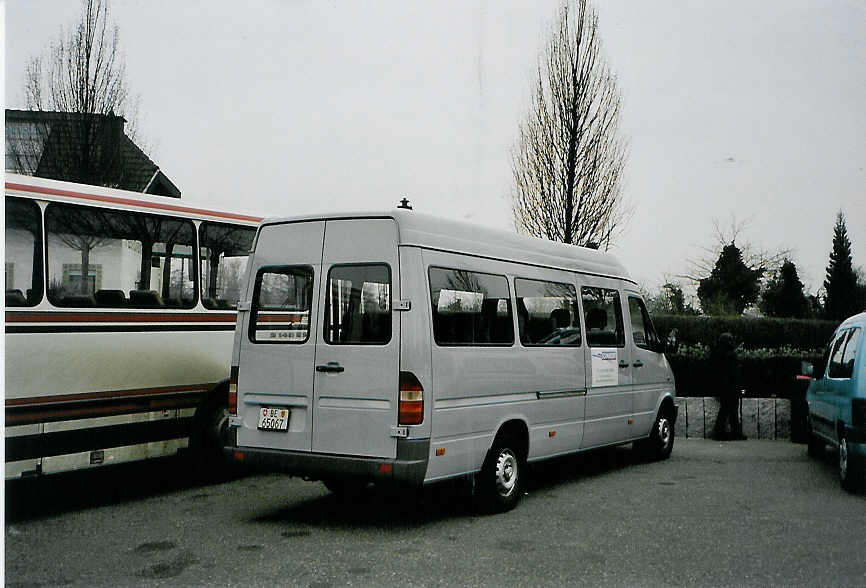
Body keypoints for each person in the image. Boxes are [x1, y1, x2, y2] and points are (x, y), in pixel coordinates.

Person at [710, 332, 746, 440]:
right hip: (731, 387)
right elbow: (735, 373)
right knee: (731, 410)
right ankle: (732, 432)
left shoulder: (718, 354)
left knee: (726, 410)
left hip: (723, 387)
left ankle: (721, 432)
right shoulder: (731, 355)